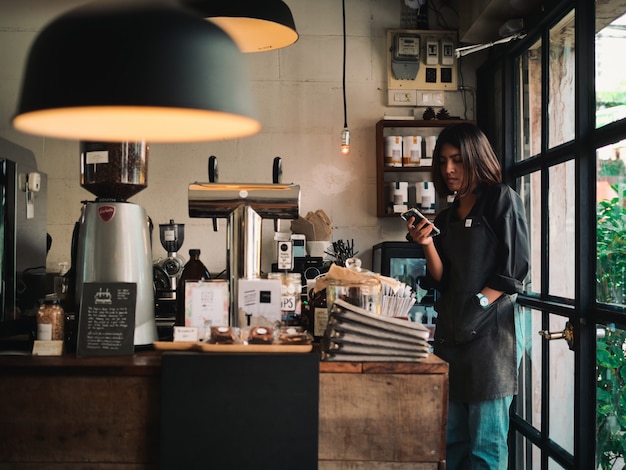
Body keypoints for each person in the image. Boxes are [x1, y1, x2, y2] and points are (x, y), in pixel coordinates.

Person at [405, 123, 530, 469]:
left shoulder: (502, 199)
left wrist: (478, 304)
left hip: (492, 338)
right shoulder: (447, 215)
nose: (448, 170)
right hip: (451, 334)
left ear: (476, 158)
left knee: (486, 448)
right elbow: (442, 279)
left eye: (457, 160)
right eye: (443, 161)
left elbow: (514, 270)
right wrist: (427, 243)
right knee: (454, 441)